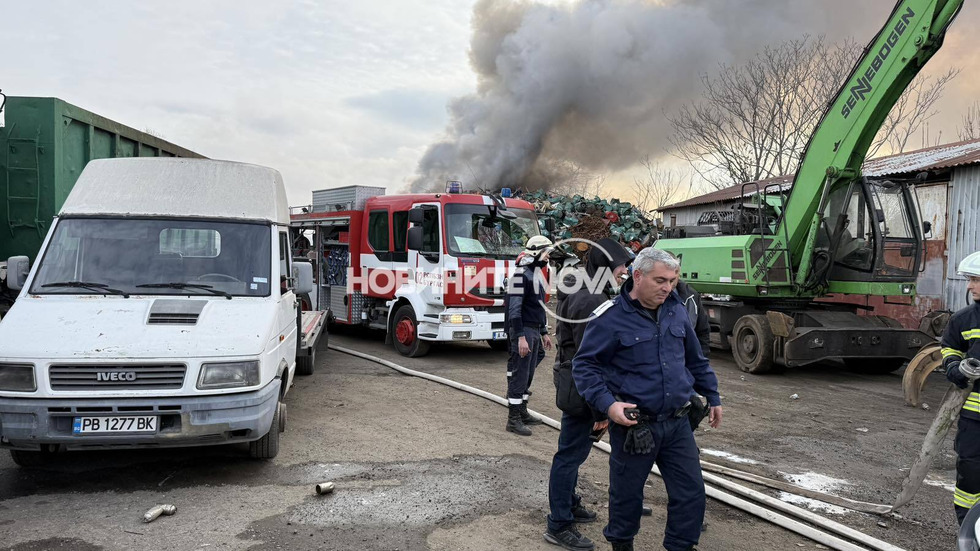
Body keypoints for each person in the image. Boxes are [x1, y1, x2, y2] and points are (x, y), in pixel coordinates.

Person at [573, 248, 722, 551]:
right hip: (635, 427)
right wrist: (609, 405)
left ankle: (681, 545)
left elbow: (695, 359)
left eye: (672, 280)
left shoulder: (676, 310)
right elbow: (585, 366)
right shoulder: (610, 317)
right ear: (637, 276)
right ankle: (622, 544)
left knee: (691, 493)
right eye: (660, 280)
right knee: (627, 496)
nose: (668, 287)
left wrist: (713, 394)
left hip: (678, 423)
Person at [545, 238, 632, 550]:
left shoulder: (590, 292)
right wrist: (600, 410)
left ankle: (570, 503)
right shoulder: (590, 300)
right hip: (581, 391)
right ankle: (558, 523)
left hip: (578, 387)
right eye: (621, 266)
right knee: (569, 455)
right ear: (606, 266)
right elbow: (589, 359)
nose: (626, 272)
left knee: (575, 452)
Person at [942, 251, 980, 525]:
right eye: (969, 280)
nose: (969, 286)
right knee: (969, 470)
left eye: (976, 280)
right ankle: (969, 526)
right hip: (974, 417)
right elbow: (950, 347)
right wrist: (954, 367)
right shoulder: (964, 318)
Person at [505, 235, 554, 436]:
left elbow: (538, 307)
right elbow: (514, 310)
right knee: (521, 372)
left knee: (529, 370)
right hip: (524, 330)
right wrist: (520, 337)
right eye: (546, 252)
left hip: (533, 329)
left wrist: (544, 332)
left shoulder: (536, 275)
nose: (549, 256)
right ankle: (513, 419)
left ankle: (522, 410)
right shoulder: (520, 276)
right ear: (535, 253)